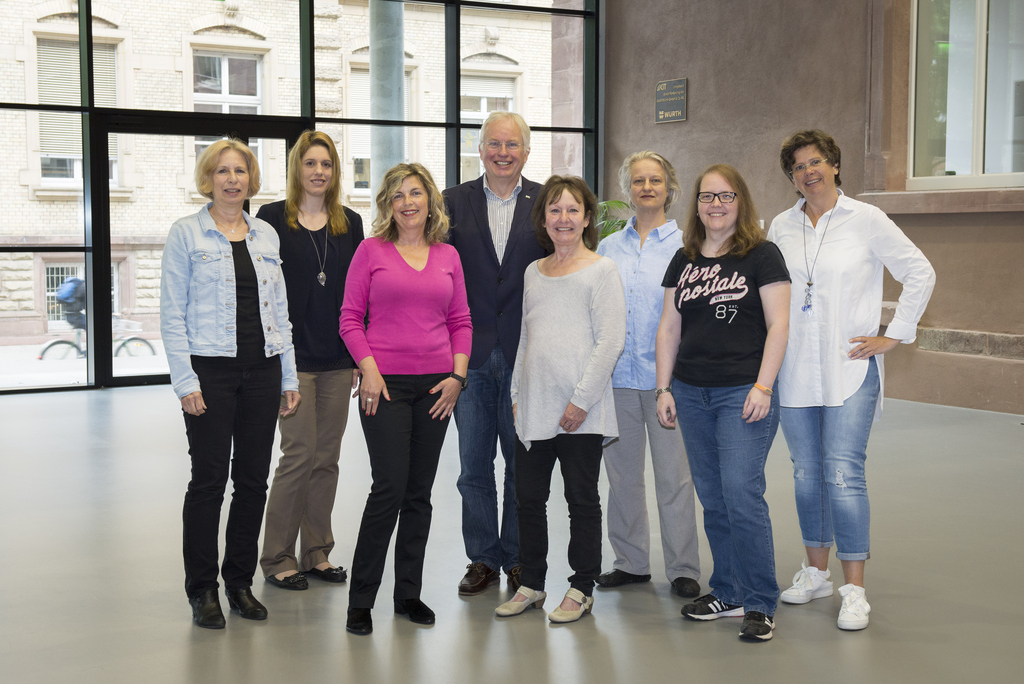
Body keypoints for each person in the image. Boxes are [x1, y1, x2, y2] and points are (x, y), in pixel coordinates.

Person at [767, 130, 935, 631]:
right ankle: (815, 573)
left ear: (835, 165)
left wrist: (895, 335)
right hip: (795, 370)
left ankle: (854, 588)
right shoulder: (780, 225)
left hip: (850, 369)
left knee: (842, 474)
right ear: (791, 176)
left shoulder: (867, 219)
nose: (807, 172)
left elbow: (919, 272)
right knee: (805, 474)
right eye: (797, 166)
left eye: (815, 162)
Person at [160, 139, 300, 629]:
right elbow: (171, 316)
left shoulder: (265, 236)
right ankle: (202, 590)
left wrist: (287, 374)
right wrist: (185, 381)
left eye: (240, 171)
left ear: (250, 179)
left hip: (262, 370)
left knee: (253, 481)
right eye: (222, 171)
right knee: (208, 482)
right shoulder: (186, 235)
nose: (232, 179)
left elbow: (279, 313)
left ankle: (238, 581)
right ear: (209, 178)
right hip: (210, 374)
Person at [655, 164, 791, 642]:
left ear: (741, 202)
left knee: (741, 492)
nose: (716, 204)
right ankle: (728, 589)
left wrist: (763, 386)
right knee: (713, 496)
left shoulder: (762, 256)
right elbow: (669, 328)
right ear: (696, 204)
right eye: (707, 196)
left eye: (726, 196)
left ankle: (759, 600)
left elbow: (779, 325)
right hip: (691, 392)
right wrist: (664, 387)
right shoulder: (684, 258)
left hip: (742, 392)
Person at [339, 163, 473, 635]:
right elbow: (350, 318)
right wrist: (370, 370)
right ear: (387, 204)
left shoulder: (447, 256)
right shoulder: (369, 250)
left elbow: (461, 321)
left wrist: (458, 377)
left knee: (419, 494)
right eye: (398, 195)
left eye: (415, 193)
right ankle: (361, 601)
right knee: (389, 489)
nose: (407, 202)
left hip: (437, 387)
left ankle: (408, 595)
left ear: (430, 200)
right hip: (385, 386)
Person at [495, 175, 625, 624]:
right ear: (544, 219)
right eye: (555, 210)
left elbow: (610, 341)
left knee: (581, 501)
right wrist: (516, 395)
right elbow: (527, 337)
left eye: (572, 210)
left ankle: (582, 586)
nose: (563, 218)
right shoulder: (535, 271)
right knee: (527, 499)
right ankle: (531, 583)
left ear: (587, 218)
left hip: (579, 412)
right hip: (533, 406)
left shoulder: (602, 270)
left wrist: (581, 401)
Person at [256, 131, 364, 591]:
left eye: (327, 164)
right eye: (310, 163)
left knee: (327, 458)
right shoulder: (270, 219)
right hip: (292, 361)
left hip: (339, 360)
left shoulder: (351, 223)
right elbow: (262, 293)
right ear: (297, 168)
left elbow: (361, 294)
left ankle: (316, 552)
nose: (319, 171)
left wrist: (362, 355)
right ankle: (277, 555)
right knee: (298, 455)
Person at [444, 111, 546, 596]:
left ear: (526, 152)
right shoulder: (450, 203)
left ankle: (518, 557)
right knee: (473, 466)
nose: (502, 153)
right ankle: (483, 557)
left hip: (528, 355)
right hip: (470, 356)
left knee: (519, 464)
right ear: (480, 150)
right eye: (493, 144)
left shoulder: (548, 202)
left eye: (512, 145)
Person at [595, 151, 701, 599]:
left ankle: (683, 567)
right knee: (621, 477)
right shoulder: (606, 248)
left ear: (669, 187)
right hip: (616, 379)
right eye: (638, 180)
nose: (646, 187)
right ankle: (631, 562)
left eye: (655, 180)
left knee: (674, 477)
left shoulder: (687, 248)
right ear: (628, 188)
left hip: (666, 383)